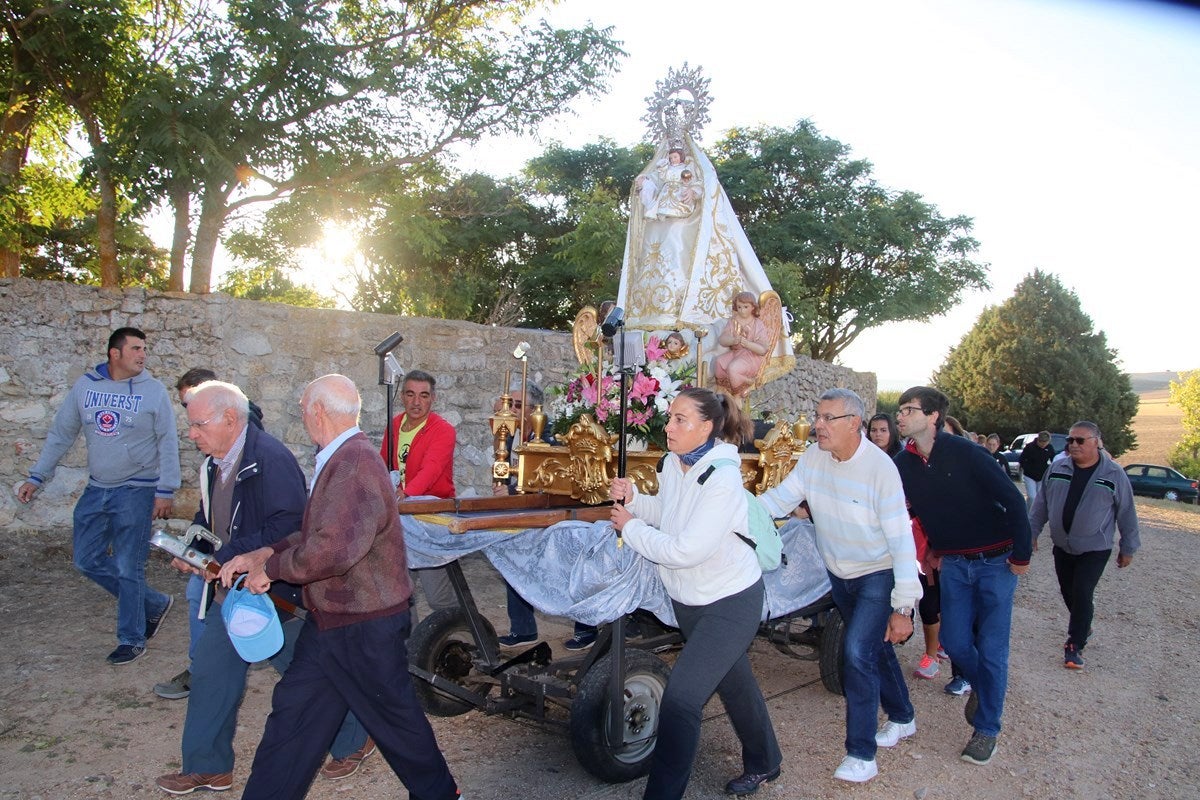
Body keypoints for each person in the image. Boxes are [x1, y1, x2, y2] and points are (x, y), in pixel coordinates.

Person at [219, 375, 461, 800]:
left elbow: (333, 550)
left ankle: (441, 795)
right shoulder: (341, 458)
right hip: (334, 621)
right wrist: (266, 553)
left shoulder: (353, 463)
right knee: (293, 720)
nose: (302, 416)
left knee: (398, 725)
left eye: (302, 408)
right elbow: (320, 533)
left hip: (364, 626)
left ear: (318, 412)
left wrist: (272, 568)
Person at [154, 381, 371, 795]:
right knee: (212, 672)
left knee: (307, 673)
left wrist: (229, 558)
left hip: (271, 592)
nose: (191, 433)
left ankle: (356, 735)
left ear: (230, 419)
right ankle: (208, 766)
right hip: (231, 591)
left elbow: (290, 526)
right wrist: (194, 551)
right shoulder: (213, 464)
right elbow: (209, 520)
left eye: (198, 424)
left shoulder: (271, 459)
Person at [608, 388, 781, 799]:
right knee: (735, 683)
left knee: (682, 700)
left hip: (730, 601)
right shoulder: (673, 462)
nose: (668, 426)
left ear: (706, 427)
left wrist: (630, 529)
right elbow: (669, 514)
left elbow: (686, 549)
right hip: (690, 603)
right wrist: (635, 500)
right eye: (670, 417)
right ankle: (766, 760)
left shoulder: (721, 477)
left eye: (680, 420)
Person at [758, 388, 920, 784]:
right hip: (839, 574)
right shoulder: (814, 458)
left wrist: (903, 607)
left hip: (877, 574)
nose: (817, 425)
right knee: (873, 648)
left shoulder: (881, 469)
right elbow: (779, 500)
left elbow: (901, 540)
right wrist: (735, 513)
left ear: (853, 424)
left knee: (855, 652)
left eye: (828, 418)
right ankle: (903, 717)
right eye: (817, 416)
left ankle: (861, 754)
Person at [17, 326, 180, 665]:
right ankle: (152, 604)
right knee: (85, 559)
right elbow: (62, 434)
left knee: (127, 565)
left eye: (144, 349)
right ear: (114, 353)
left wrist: (166, 489)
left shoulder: (153, 391)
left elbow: (167, 441)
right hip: (98, 488)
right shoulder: (86, 386)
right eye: (135, 348)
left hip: (137, 489)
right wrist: (37, 475)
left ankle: (132, 639)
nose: (142, 355)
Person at [894, 387, 1031, 767]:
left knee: (991, 648)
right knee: (953, 640)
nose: (901, 416)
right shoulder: (903, 464)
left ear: (934, 416)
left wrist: (1022, 554)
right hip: (953, 563)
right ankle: (986, 689)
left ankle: (986, 730)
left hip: (997, 563)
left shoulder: (968, 454)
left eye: (910, 409)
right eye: (900, 409)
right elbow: (905, 507)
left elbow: (1014, 499)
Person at [154, 367, 266, 701]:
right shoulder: (219, 447)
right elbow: (209, 504)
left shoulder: (250, 443)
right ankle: (205, 669)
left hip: (241, 552)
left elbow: (259, 511)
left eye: (195, 412)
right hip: (225, 549)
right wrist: (193, 542)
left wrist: (220, 555)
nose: (192, 429)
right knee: (200, 599)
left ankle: (205, 671)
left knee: (215, 604)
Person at [492, 378, 598, 650]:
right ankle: (523, 628)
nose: (512, 410)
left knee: (569, 567)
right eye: (509, 404)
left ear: (533, 408)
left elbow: (547, 480)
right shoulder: (515, 432)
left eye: (517, 405)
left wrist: (512, 494)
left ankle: (586, 629)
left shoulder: (548, 435)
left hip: (561, 514)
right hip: (531, 513)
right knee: (514, 555)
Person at [1028, 421, 1139, 670]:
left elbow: (1127, 512)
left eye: (1080, 440)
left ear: (1096, 442)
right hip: (1062, 547)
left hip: (1095, 548)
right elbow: (1041, 506)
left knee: (1082, 591)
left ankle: (1074, 645)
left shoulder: (1113, 474)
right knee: (1069, 592)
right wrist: (1031, 533)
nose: (1073, 445)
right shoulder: (1057, 468)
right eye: (1070, 440)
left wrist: (1128, 547)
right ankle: (1083, 624)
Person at [381, 370, 458, 612]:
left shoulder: (443, 430)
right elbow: (383, 463)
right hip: (399, 516)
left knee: (438, 596)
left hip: (429, 518)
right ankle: (407, 646)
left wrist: (406, 494)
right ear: (402, 396)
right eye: (411, 394)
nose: (416, 402)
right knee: (400, 593)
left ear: (432, 399)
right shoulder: (394, 425)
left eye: (423, 396)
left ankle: (462, 641)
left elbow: (431, 469)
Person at [714, 291, 770, 398]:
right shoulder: (733, 321)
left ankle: (737, 396)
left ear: (753, 307)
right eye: (739, 307)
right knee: (719, 362)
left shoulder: (758, 324)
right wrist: (733, 340)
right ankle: (725, 392)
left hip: (751, 357)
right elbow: (722, 339)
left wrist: (748, 344)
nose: (742, 310)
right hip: (736, 353)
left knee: (733, 368)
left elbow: (763, 350)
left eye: (745, 307)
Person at [1019, 431, 1055, 503]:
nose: (1043, 445)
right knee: (1032, 496)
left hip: (1042, 477)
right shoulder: (1029, 447)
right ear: (1038, 440)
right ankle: (1029, 513)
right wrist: (1026, 468)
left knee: (1039, 498)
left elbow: (1053, 460)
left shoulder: (1050, 448)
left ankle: (1035, 513)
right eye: (1041, 442)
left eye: (1045, 443)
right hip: (1029, 476)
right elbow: (1021, 459)